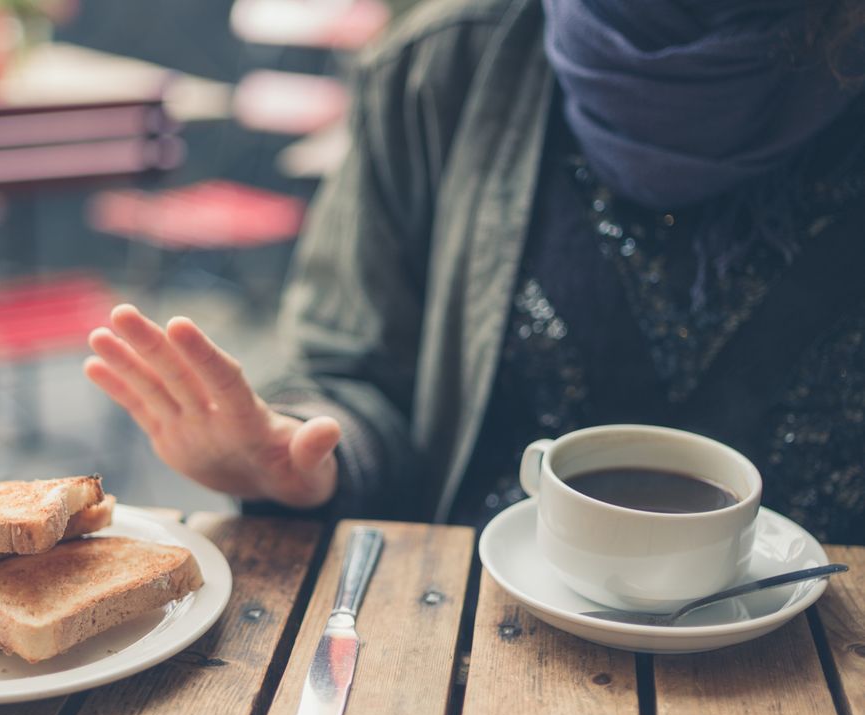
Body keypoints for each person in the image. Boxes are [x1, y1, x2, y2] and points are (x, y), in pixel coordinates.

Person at [85, 0, 865, 543]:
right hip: (485, 644)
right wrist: (297, 459)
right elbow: (357, 381)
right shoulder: (439, 70)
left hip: (826, 653)